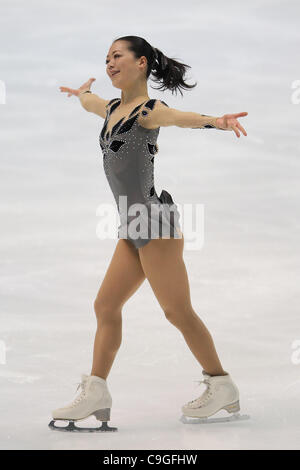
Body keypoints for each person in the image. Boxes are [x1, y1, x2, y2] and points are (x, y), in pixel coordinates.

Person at [49, 36, 248, 432]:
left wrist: (216, 121)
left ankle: (221, 383)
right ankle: (97, 391)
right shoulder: (110, 108)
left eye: (117, 56)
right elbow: (91, 103)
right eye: (106, 58)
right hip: (132, 226)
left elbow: (179, 117)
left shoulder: (148, 111)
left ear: (141, 63)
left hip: (155, 225)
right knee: (106, 307)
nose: (109, 63)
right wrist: (82, 93)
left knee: (177, 311)